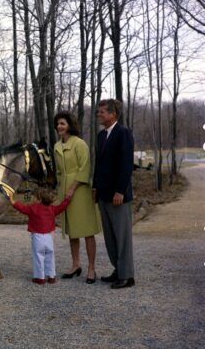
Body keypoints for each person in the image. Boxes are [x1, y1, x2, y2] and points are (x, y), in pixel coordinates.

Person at [54, 111, 102, 284]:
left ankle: (91, 268)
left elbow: (85, 169)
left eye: (63, 123)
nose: (60, 126)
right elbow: (59, 172)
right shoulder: (57, 146)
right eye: (58, 123)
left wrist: (72, 188)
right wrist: (60, 190)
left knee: (86, 230)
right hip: (64, 190)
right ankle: (76, 264)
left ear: (70, 125)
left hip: (80, 190)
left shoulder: (79, 144)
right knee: (72, 231)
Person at [92, 99, 135, 289]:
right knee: (110, 236)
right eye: (98, 111)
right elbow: (99, 165)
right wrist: (95, 187)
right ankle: (118, 270)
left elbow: (126, 165)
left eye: (102, 111)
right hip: (103, 194)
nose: (98, 114)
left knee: (122, 236)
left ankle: (127, 276)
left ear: (113, 114)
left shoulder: (123, 133)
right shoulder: (102, 136)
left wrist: (120, 191)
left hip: (118, 195)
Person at [10, 187, 74, 285]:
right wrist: (67, 199)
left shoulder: (32, 208)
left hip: (37, 236)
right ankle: (51, 276)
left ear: (39, 199)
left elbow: (22, 208)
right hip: (49, 237)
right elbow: (62, 207)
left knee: (38, 257)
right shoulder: (52, 209)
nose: (33, 199)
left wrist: (12, 201)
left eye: (34, 197)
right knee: (50, 256)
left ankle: (40, 277)